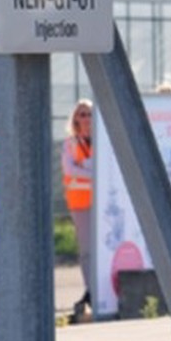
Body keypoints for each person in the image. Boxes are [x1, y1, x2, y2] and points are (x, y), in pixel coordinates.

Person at [61, 99, 95, 313]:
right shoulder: (70, 143)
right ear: (75, 119)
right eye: (82, 114)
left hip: (102, 203)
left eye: (89, 114)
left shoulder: (103, 140)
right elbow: (70, 170)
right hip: (81, 202)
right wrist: (93, 173)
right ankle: (90, 288)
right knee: (87, 249)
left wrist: (84, 170)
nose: (86, 119)